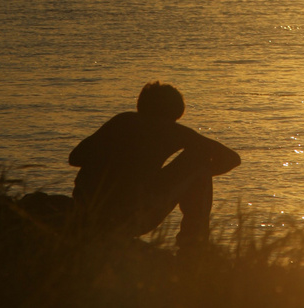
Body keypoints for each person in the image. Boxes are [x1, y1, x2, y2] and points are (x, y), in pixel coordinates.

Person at [68, 81, 240, 247]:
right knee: (200, 162)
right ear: (174, 112)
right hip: (129, 216)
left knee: (198, 165)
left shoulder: (121, 121)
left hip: (85, 210)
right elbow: (232, 158)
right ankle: (193, 246)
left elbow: (75, 158)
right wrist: (192, 177)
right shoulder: (172, 131)